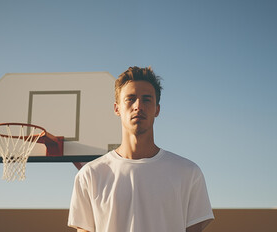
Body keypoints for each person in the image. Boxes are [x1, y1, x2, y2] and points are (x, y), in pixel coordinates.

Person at [68, 66, 214, 232]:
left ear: (157, 109)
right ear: (117, 109)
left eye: (146, 99)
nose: (138, 105)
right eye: (130, 99)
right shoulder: (89, 175)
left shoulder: (188, 173)